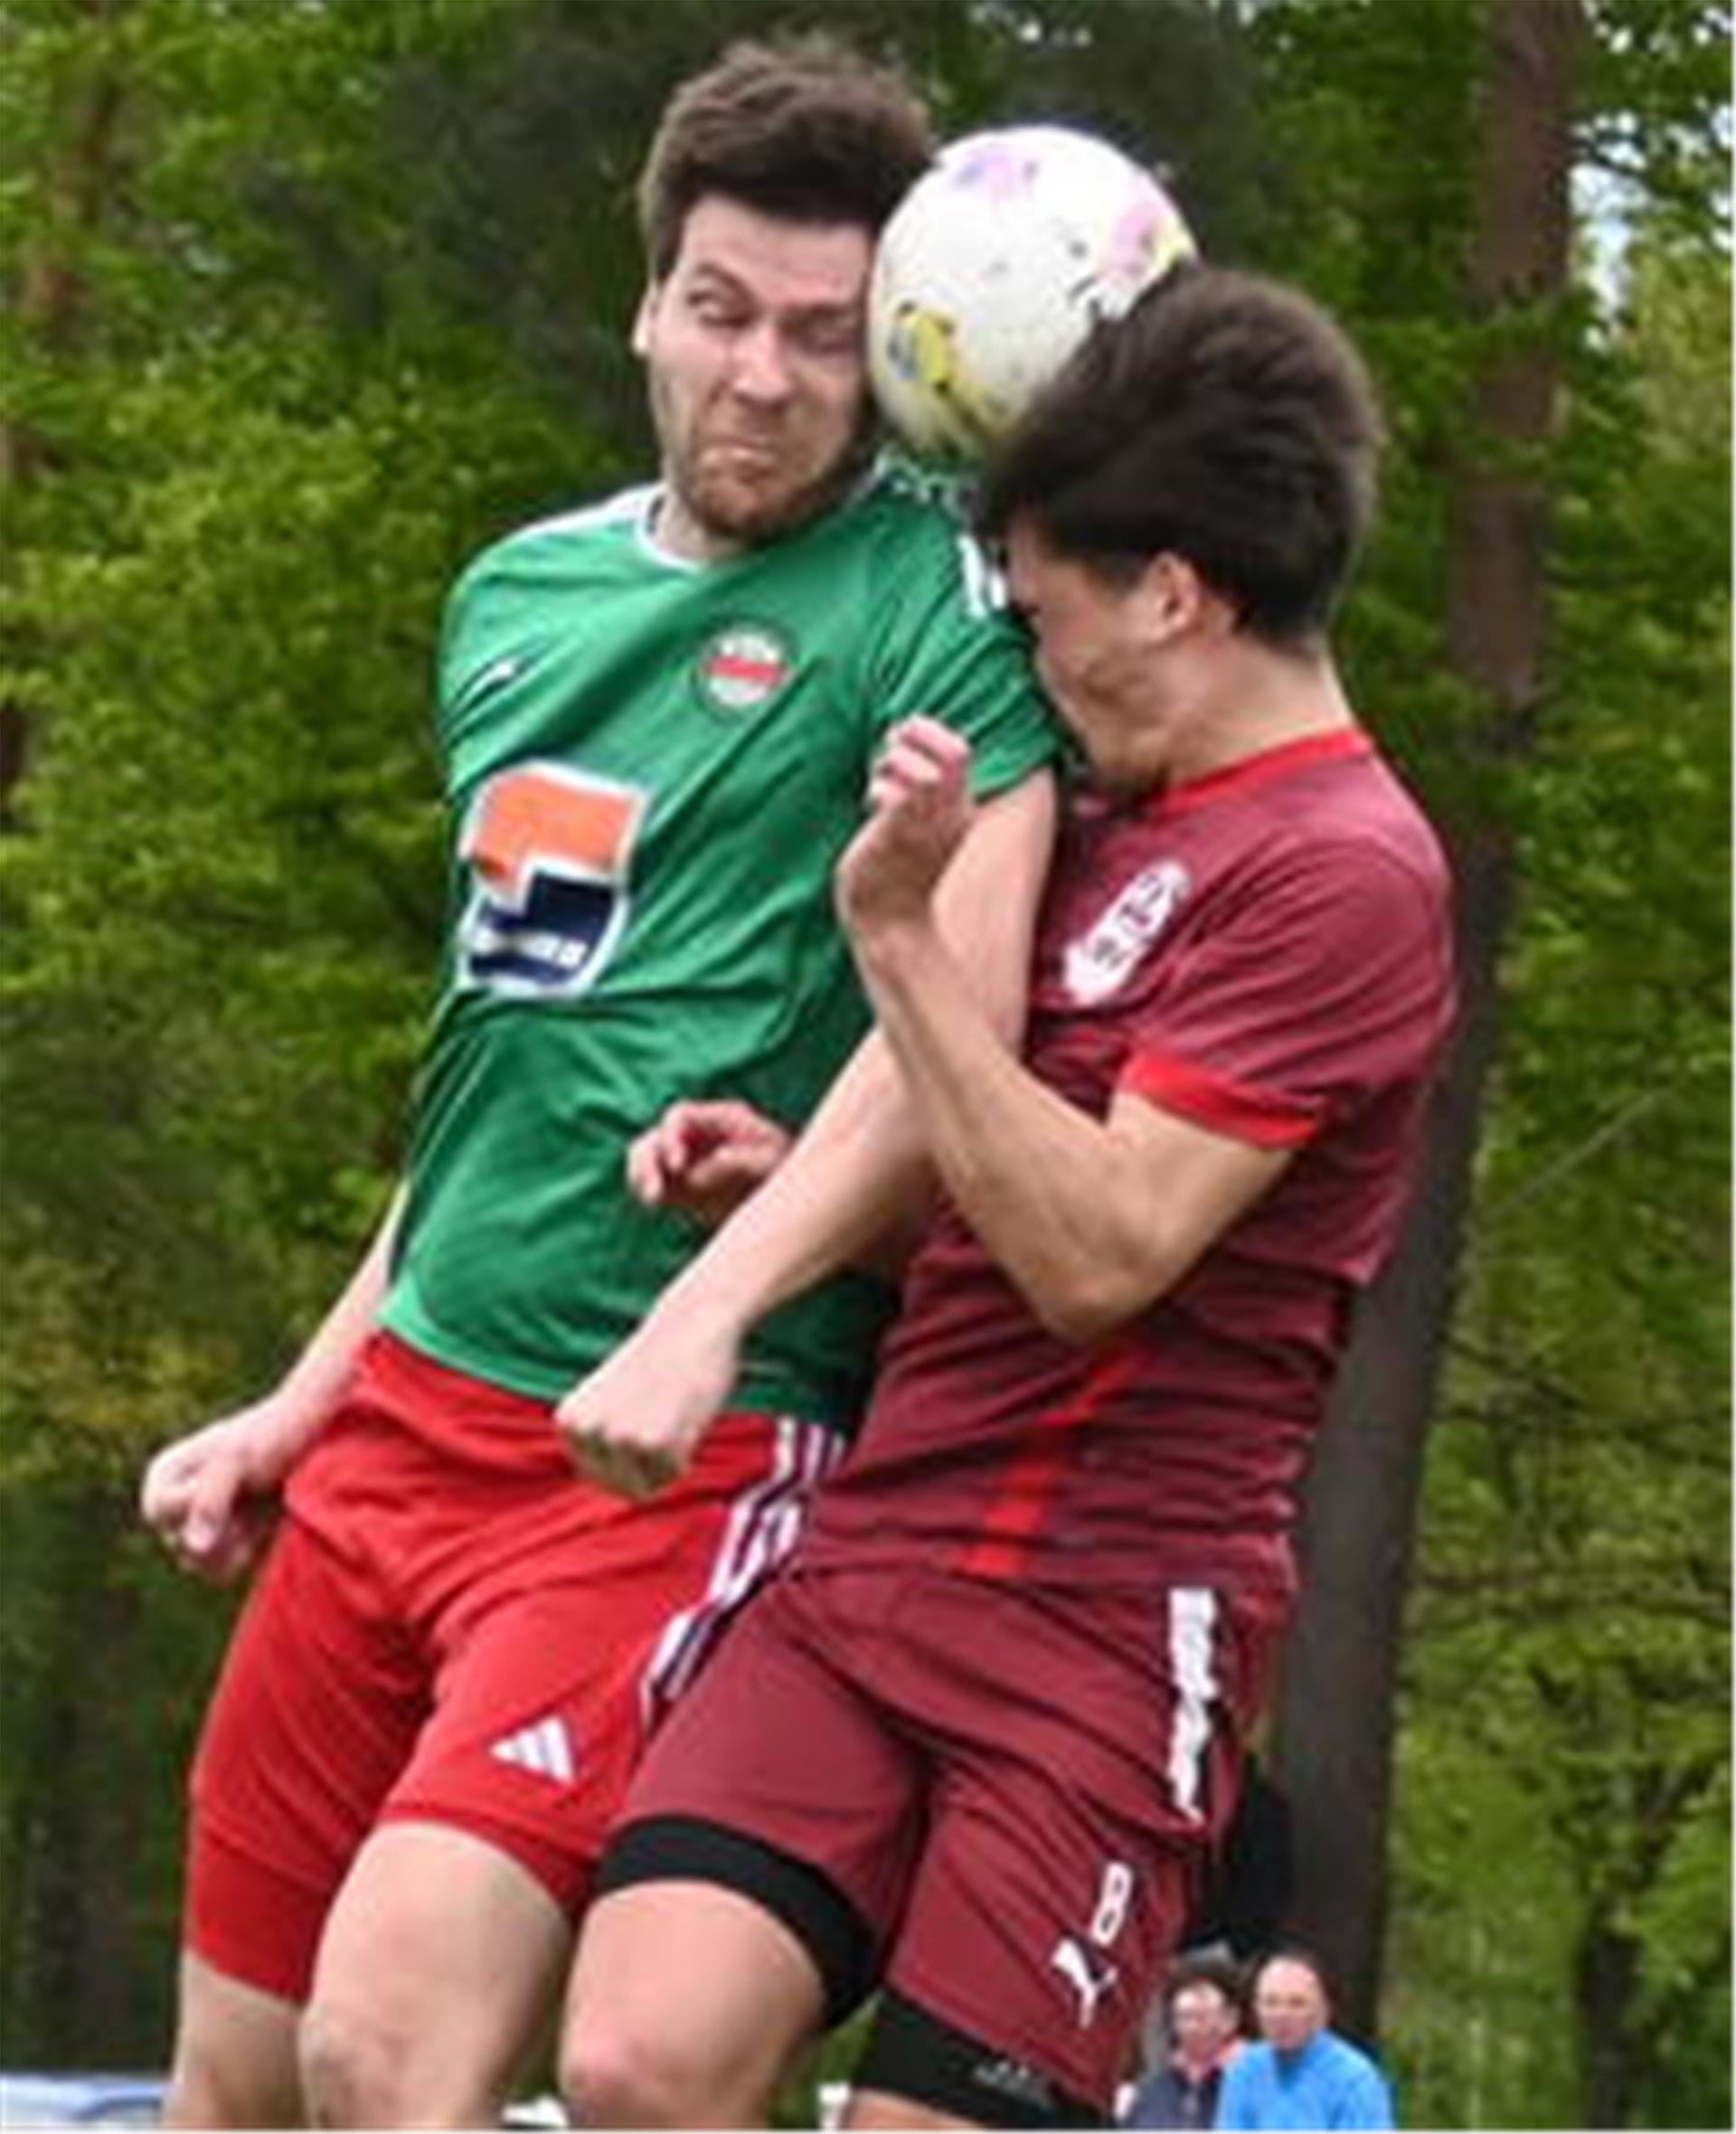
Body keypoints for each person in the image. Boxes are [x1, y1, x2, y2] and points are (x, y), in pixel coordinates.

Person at [137, 37, 1058, 2129]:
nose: (761, 377)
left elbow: (961, 1048)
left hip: (662, 1458)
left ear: (890, 357)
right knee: (239, 2086)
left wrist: (710, 1310)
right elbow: (501, 1071)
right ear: (649, 299)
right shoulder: (514, 598)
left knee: (395, 2051)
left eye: (825, 338)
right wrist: (302, 1397)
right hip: (395, 1423)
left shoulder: (939, 604)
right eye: (722, 313)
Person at [556, 261, 1457, 2129]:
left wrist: (894, 935)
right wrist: (805, 1186)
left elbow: (1101, 1249)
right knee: (636, 2057)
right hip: (880, 1560)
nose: (1038, 668)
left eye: (1050, 620)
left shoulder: (1346, 873)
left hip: (1106, 1638)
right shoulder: (1116, 819)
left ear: (1178, 595)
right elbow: (991, 1183)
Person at [1214, 1950, 1395, 2129]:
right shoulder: (1244, 2071)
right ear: (1255, 2009)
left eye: (1297, 2004)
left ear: (1323, 2013)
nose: (1281, 2015)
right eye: (1270, 2003)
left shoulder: (1355, 2080)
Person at [1120, 1956, 1246, 2129]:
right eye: (1184, 2017)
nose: (1192, 2029)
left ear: (1230, 2020)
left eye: (1201, 2017)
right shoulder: (1151, 2092)